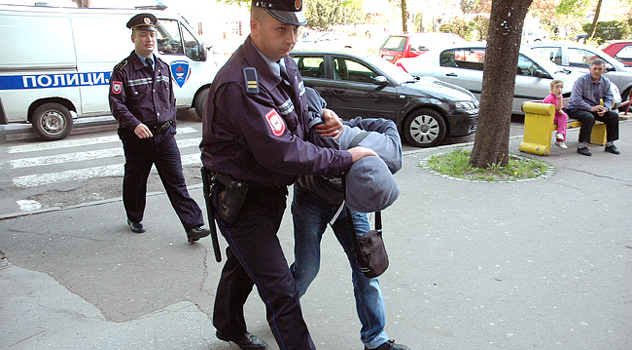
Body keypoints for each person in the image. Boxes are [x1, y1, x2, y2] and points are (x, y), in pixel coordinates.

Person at [199, 1, 376, 349]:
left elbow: (296, 121)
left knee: (243, 263)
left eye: (295, 29)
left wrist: (326, 122)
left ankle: (227, 325)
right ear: (255, 27)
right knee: (281, 291)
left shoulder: (283, 63)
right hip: (241, 200)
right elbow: (282, 152)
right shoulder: (240, 84)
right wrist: (344, 157)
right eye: (282, 29)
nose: (291, 38)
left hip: (269, 192)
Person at [292, 89, 410, 350]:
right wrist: (322, 113)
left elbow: (388, 124)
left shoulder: (387, 152)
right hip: (311, 200)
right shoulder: (326, 141)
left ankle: (375, 339)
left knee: (366, 267)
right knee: (307, 268)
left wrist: (344, 124)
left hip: (349, 204)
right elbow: (306, 97)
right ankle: (282, 305)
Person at [108, 13, 211, 243]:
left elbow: (170, 101)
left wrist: (171, 127)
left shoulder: (164, 67)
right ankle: (134, 217)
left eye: (152, 34)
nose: (149, 39)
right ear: (133, 38)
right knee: (136, 181)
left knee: (177, 181)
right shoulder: (123, 70)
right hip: (138, 138)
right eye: (143, 35)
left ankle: (193, 226)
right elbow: (117, 104)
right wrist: (134, 125)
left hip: (164, 136)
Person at [566, 59, 620, 156]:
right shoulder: (581, 80)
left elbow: (609, 97)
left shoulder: (605, 81)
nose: (596, 71)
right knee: (589, 117)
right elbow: (575, 99)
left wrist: (606, 108)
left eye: (600, 69)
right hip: (576, 108)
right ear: (590, 69)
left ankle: (610, 144)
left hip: (593, 108)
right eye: (594, 68)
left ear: (604, 70)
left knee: (613, 116)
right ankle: (582, 146)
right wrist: (591, 108)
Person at [542, 79, 568, 149]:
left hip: (554, 115)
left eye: (561, 87)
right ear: (551, 89)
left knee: (564, 116)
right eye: (557, 87)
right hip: (548, 116)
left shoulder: (559, 97)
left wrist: (560, 99)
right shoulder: (551, 98)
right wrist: (559, 101)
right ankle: (560, 137)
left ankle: (560, 137)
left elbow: (560, 109)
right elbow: (558, 109)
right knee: (563, 117)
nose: (559, 89)